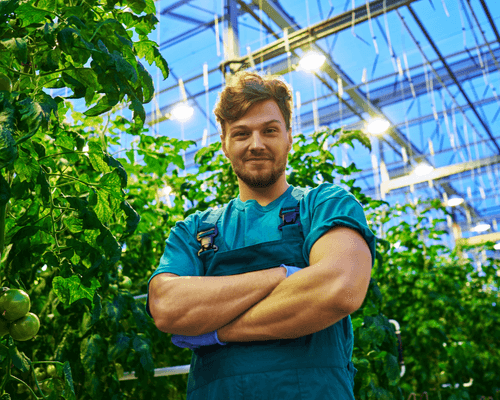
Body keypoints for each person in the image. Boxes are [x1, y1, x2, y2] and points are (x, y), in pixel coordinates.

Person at [147, 71, 376, 400]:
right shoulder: (195, 229)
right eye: (241, 134)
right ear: (224, 144)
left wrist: (217, 331)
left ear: (289, 137)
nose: (256, 144)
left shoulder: (324, 205)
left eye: (269, 130)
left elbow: (338, 288)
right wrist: (283, 275)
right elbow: (168, 306)